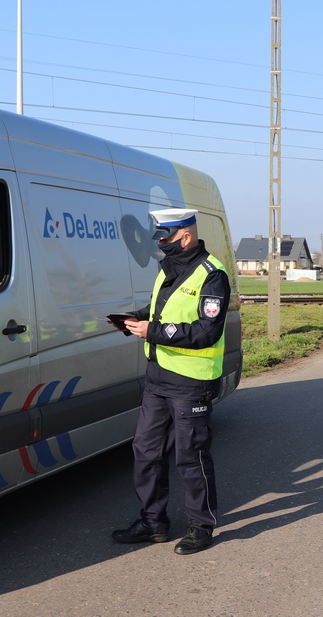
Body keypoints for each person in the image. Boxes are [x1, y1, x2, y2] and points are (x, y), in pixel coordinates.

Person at [111, 207, 231, 555]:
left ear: (186, 236)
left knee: (190, 456)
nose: (161, 244)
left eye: (166, 238)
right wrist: (137, 320)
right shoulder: (168, 270)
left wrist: (154, 331)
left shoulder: (213, 275)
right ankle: (153, 523)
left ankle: (201, 527)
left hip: (191, 381)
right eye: (159, 238)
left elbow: (206, 331)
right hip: (158, 378)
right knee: (145, 452)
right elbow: (164, 313)